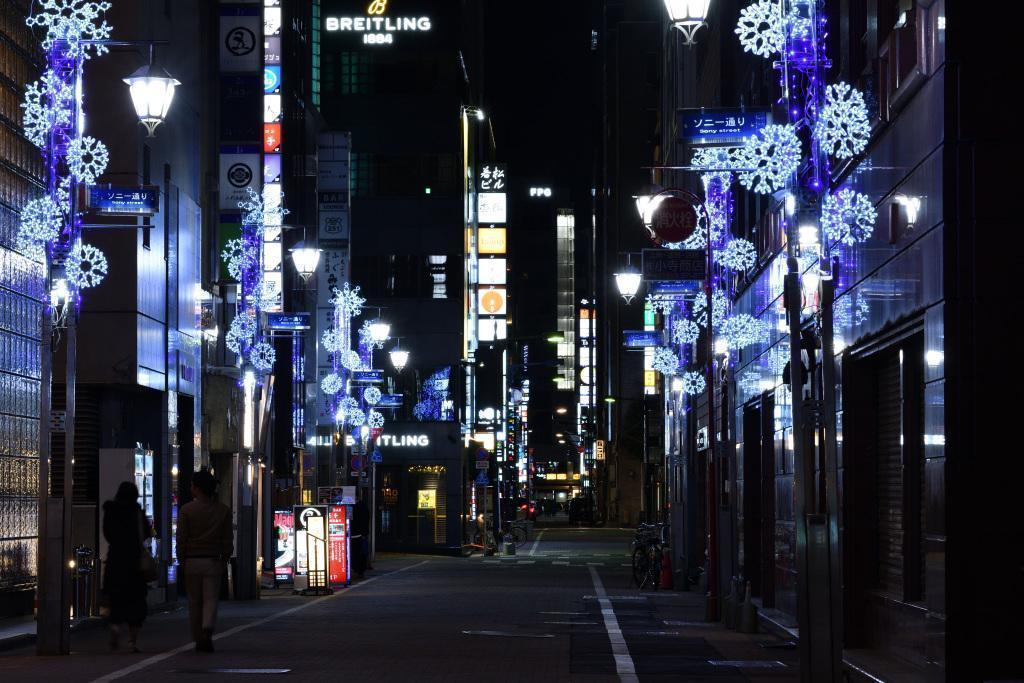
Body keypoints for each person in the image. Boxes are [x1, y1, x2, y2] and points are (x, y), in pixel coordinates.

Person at [177, 469, 232, 653]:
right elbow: (227, 540)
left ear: (197, 488)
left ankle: (198, 638)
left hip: (192, 561)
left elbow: (181, 538)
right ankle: (207, 626)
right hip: (213, 561)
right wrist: (224, 559)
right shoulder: (223, 511)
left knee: (194, 602)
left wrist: (181, 559)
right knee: (210, 599)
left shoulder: (186, 510)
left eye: (192, 485)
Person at [101, 481, 150, 652]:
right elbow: (146, 532)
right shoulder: (136, 512)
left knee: (116, 600)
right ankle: (132, 642)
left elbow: (107, 533)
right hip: (134, 563)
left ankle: (114, 629)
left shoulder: (110, 510)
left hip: (115, 561)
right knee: (136, 604)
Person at [351, 498, 370, 579]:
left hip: (356, 534)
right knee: (360, 553)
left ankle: (358, 570)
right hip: (359, 534)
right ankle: (360, 570)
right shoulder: (363, 507)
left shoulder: (354, 507)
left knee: (357, 553)